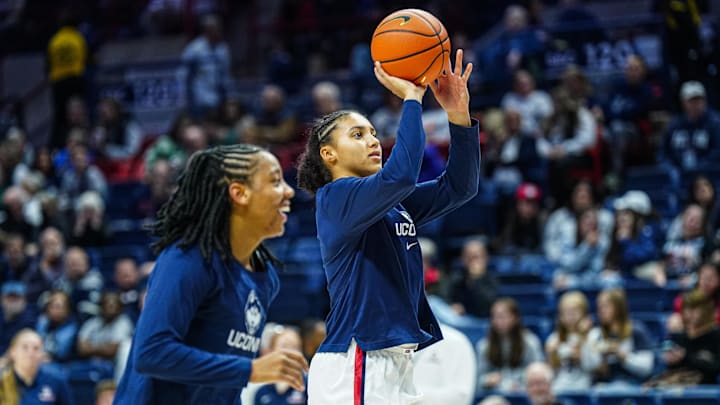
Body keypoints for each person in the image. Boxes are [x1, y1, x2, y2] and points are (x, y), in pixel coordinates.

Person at [297, 50, 479, 404]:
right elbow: (403, 175)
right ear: (329, 154)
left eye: (373, 133)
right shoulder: (335, 199)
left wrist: (458, 117)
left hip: (393, 359)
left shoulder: (391, 205)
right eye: (357, 134)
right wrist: (412, 98)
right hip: (358, 356)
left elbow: (459, 187)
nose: (372, 140)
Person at [114, 144, 307, 404]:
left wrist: (244, 373)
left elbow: (224, 378)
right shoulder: (188, 259)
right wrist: (250, 371)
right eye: (274, 181)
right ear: (239, 193)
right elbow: (152, 353)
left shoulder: (265, 274)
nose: (288, 190)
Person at [0, 329, 73, 404]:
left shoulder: (56, 379)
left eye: (36, 348)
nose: (30, 353)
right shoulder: (3, 379)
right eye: (25, 347)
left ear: (42, 354)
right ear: (13, 351)